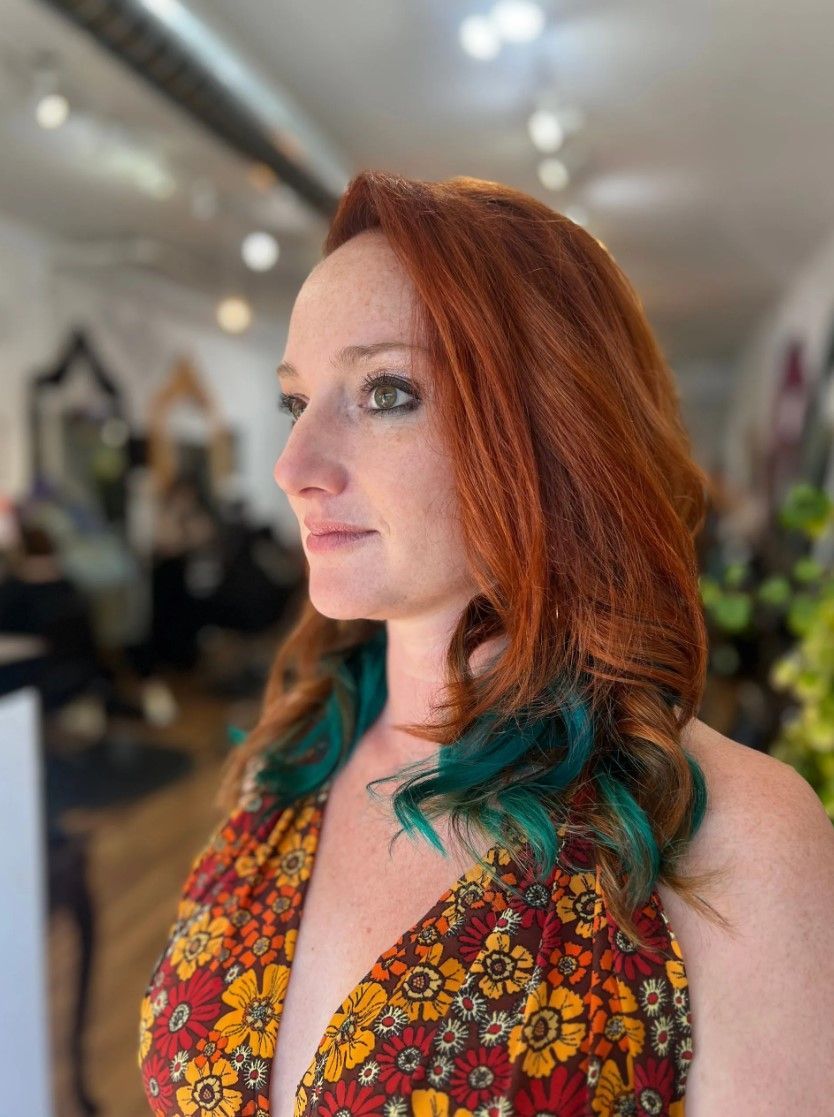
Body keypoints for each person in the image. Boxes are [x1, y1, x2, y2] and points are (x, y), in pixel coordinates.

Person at [137, 172, 834, 1117]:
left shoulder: (733, 835)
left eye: (386, 391)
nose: (293, 467)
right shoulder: (288, 761)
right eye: (296, 403)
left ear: (555, 426)